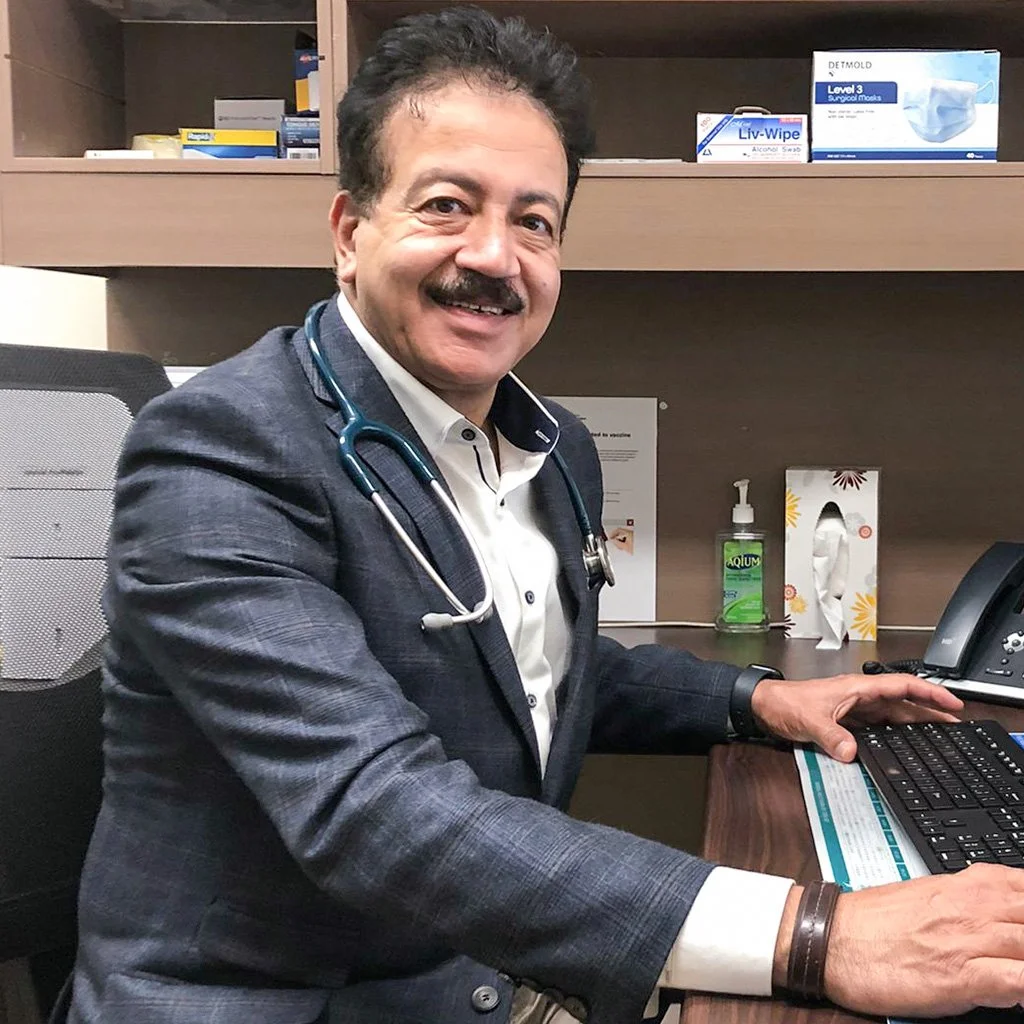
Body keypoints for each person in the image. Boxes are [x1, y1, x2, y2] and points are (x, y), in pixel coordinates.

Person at [64, 8, 1024, 1024]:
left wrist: (756, 701)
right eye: (446, 204)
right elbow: (369, 804)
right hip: (279, 1000)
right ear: (349, 231)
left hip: (472, 966)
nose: (494, 256)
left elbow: (530, 673)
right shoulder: (219, 450)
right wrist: (817, 932)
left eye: (534, 220)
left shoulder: (550, 447)